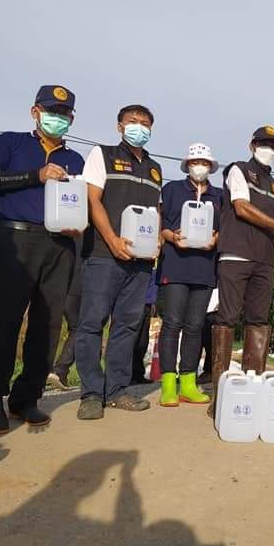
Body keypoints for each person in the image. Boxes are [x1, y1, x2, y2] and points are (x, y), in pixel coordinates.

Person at [0, 85, 84, 434]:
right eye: (52, 111)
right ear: (35, 111)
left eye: (64, 113)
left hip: (60, 245)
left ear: (72, 118)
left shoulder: (75, 160)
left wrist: (78, 225)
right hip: (14, 239)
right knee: (4, 319)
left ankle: (27, 396)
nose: (58, 118)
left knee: (47, 324)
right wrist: (36, 175)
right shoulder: (10, 143)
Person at [208, 126, 274, 418]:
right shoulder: (238, 170)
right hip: (236, 253)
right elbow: (241, 208)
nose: (269, 150)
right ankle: (220, 395)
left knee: (259, 320)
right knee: (227, 317)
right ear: (252, 145)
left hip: (264, 259)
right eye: (264, 144)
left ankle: (251, 392)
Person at [74, 105, 162, 420]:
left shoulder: (154, 168)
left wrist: (157, 241)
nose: (139, 127)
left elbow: (156, 211)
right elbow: (92, 199)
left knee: (127, 326)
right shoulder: (103, 155)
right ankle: (91, 393)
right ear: (119, 126)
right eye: (133, 122)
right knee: (92, 323)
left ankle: (116, 390)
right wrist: (112, 239)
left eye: (145, 123)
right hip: (104, 254)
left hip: (140, 262)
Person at [156, 143, 223, 407]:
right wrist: (171, 237)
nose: (200, 167)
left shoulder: (219, 196)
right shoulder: (172, 189)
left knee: (195, 326)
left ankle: (188, 382)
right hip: (176, 264)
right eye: (195, 162)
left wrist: (216, 239)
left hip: (204, 267)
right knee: (172, 323)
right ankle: (168, 384)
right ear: (187, 165)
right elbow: (160, 224)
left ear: (211, 167)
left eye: (204, 163)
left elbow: (224, 229)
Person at [47, 235, 85, 391]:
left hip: (59, 285)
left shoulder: (63, 234)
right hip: (79, 287)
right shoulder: (89, 237)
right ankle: (61, 370)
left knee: (55, 327)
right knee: (80, 329)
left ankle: (42, 372)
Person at [131, 268, 159, 386]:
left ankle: (138, 372)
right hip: (135, 297)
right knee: (132, 338)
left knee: (143, 340)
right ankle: (126, 374)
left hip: (149, 300)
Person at [197, 289, 219, 385]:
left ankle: (209, 371)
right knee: (194, 340)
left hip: (214, 306)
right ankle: (189, 370)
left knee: (210, 341)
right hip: (198, 303)